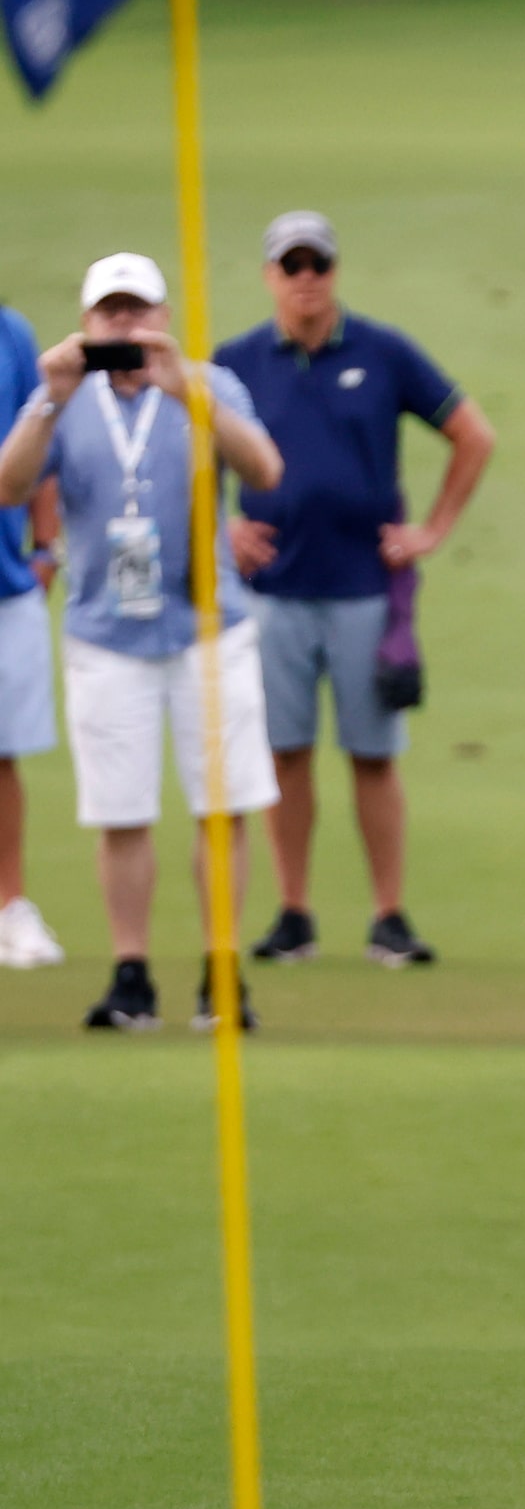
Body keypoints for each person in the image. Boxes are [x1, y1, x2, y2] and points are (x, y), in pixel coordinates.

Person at [0, 253, 286, 1030]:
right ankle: (131, 973)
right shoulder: (65, 398)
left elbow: (263, 467)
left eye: (138, 311)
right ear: (88, 323)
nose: (125, 327)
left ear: (163, 316)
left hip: (206, 630)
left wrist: (186, 391)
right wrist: (47, 401)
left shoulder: (207, 385)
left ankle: (220, 970)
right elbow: (9, 485)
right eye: (110, 314)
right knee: (121, 811)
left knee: (223, 807)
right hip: (106, 633)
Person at [217, 210, 496, 970]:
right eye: (291, 266)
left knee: (373, 753)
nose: (306, 279)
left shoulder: (383, 352)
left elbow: (474, 433)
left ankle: (388, 915)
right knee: (285, 754)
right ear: (271, 275)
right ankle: (295, 911)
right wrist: (220, 532)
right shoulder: (236, 362)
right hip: (273, 589)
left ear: (334, 272)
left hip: (365, 590)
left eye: (318, 265)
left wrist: (431, 530)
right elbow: (186, 455)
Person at [0, 295, 66, 970]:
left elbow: (40, 449)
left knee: (2, 753)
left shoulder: (10, 332)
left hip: (4, 580)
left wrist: (47, 548)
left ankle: (9, 907)